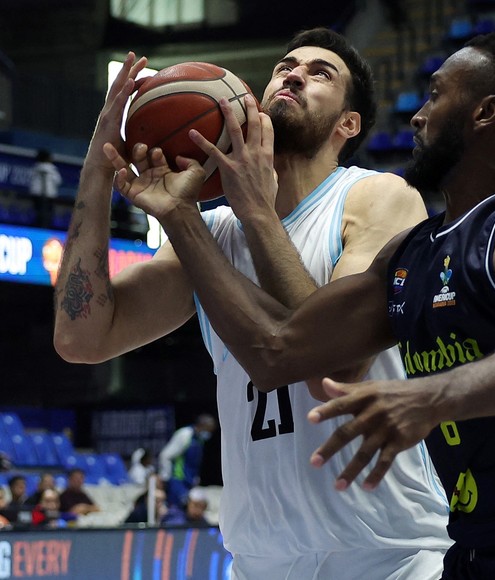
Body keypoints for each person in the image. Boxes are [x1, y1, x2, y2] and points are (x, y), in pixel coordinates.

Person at [109, 32, 495, 578]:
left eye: (435, 96)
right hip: (477, 552)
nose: (417, 117)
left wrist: (429, 395)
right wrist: (181, 218)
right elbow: (279, 351)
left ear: (485, 113)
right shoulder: (414, 254)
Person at [54, 29, 451, 579]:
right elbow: (81, 337)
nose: (293, 73)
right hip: (261, 561)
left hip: (387, 553)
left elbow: (333, 367)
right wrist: (98, 168)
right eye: (286, 65)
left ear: (348, 125)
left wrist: (252, 212)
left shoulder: (376, 197)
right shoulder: (210, 231)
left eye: (320, 73)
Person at [158, 414, 215, 508]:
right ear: (201, 425)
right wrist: (166, 478)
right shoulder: (185, 434)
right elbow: (165, 455)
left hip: (189, 483)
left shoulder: (199, 439)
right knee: (178, 510)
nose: (209, 433)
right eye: (208, 430)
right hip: (177, 481)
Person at [29, 149, 62, 228]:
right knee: (46, 214)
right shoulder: (52, 169)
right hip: (48, 195)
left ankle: (38, 227)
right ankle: (43, 228)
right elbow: (58, 181)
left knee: (38, 213)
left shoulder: (34, 168)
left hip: (37, 194)